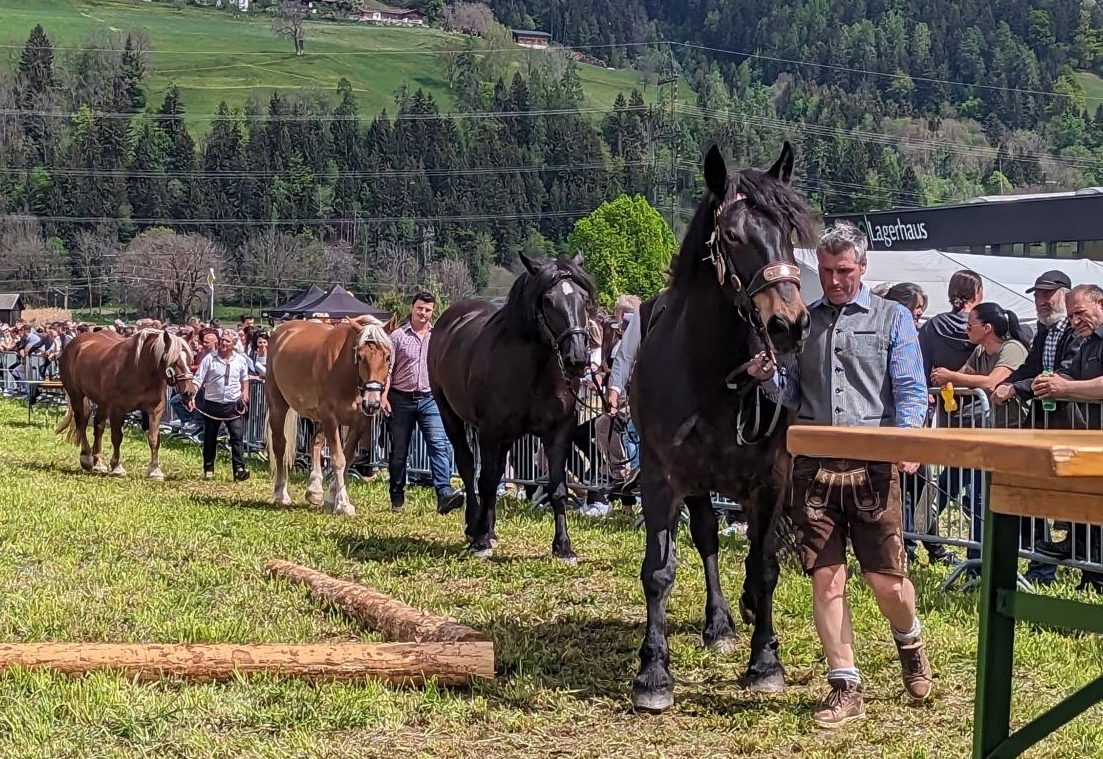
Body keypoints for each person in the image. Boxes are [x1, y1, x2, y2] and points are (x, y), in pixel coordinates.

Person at [756, 221, 932, 728]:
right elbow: (792, 391)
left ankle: (909, 640)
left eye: (844, 271)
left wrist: (908, 440)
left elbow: (910, 387)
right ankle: (844, 684)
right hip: (813, 465)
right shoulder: (805, 321)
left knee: (886, 582)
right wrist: (769, 377)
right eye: (828, 271)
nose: (834, 280)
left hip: (874, 464)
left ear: (863, 267)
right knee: (826, 577)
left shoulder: (893, 318)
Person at [383, 292, 464, 515]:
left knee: (439, 445)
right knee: (400, 451)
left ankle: (444, 493)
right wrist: (384, 396)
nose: (423, 313)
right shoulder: (398, 336)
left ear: (433, 312)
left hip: (430, 399)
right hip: (401, 399)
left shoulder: (437, 337)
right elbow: (388, 370)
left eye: (428, 310)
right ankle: (397, 496)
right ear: (412, 308)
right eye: (420, 308)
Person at [188, 331, 251, 482]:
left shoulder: (240, 360)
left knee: (237, 437)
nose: (223, 343)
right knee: (210, 438)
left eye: (227, 341)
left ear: (233, 344)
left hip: (232, 405)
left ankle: (239, 469)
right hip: (212, 404)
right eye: (222, 340)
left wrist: (245, 391)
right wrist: (192, 396)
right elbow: (198, 380)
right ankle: (208, 469)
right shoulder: (210, 359)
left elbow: (245, 378)